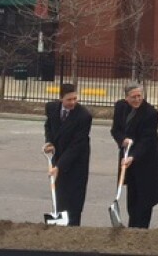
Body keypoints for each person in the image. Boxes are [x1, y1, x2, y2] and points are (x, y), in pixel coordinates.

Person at [110, 82, 158, 229]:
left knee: (145, 200)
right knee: (132, 197)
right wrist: (122, 140)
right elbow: (115, 130)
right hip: (128, 160)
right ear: (126, 98)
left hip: (147, 161)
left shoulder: (150, 113)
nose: (137, 99)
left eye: (139, 96)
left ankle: (141, 231)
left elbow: (147, 140)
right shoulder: (121, 107)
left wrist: (133, 156)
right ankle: (132, 229)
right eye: (133, 97)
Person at [43, 83, 91, 226]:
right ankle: (59, 226)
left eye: (75, 99)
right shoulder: (51, 108)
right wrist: (49, 142)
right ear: (61, 99)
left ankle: (72, 228)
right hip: (59, 156)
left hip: (77, 161)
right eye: (69, 100)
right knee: (60, 194)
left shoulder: (84, 116)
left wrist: (59, 166)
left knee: (74, 199)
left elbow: (76, 145)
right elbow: (49, 126)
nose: (73, 103)